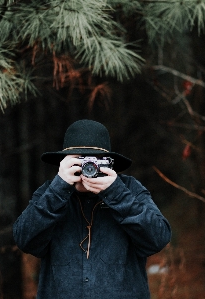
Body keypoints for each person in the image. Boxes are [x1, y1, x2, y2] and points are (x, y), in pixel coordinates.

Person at [13, 119, 171, 299]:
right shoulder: (50, 192)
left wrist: (116, 193)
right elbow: (24, 239)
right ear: (63, 163)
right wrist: (59, 188)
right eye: (78, 162)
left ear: (108, 163)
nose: (86, 169)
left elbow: (159, 238)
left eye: (93, 162)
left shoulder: (129, 189)